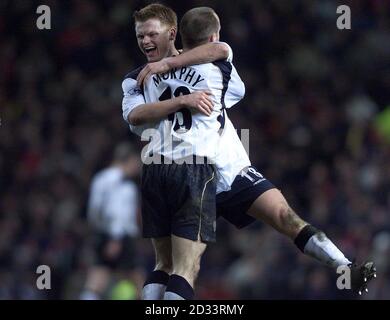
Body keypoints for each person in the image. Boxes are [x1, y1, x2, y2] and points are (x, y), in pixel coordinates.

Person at [123, 5, 376, 299]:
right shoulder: (215, 69)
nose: (144, 41)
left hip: (205, 171)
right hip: (205, 172)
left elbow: (136, 118)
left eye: (150, 34)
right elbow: (221, 52)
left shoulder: (137, 79)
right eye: (141, 35)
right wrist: (180, 87)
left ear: (173, 34)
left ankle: (346, 266)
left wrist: (168, 68)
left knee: (170, 264)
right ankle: (344, 265)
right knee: (189, 263)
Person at [80, 142, 142, 300]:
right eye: (136, 162)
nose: (137, 167)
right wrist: (115, 238)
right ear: (128, 160)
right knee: (138, 280)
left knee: (97, 277)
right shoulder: (121, 183)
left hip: (102, 234)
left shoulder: (100, 178)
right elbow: (115, 212)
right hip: (118, 237)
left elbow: (93, 210)